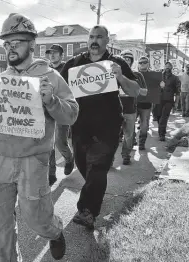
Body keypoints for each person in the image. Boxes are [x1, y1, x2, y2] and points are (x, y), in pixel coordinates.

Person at [0, 13, 79, 261]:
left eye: (16, 42)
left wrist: (52, 101)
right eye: (6, 43)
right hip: (0, 158)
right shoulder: (2, 78)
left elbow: (71, 115)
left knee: (38, 220)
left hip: (33, 160)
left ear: (31, 44)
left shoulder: (50, 77)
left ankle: (55, 232)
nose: (10, 47)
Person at [60, 25, 140, 229]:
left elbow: (135, 91)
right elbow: (57, 85)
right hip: (80, 126)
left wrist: (120, 77)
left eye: (99, 37)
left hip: (108, 126)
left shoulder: (117, 63)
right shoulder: (75, 63)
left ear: (107, 41)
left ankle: (87, 211)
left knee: (98, 167)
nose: (94, 41)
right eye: (91, 37)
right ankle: (93, 198)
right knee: (85, 167)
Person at [45, 44, 74, 185]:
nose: (52, 55)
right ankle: (51, 173)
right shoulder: (45, 70)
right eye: (50, 53)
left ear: (61, 55)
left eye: (55, 53)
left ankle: (69, 159)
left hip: (63, 109)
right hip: (47, 110)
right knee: (49, 143)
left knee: (60, 143)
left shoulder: (68, 69)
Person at [119, 50, 147, 165]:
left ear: (131, 61)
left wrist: (133, 88)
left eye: (129, 59)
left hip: (130, 110)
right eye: (124, 59)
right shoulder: (111, 75)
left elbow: (145, 92)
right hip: (114, 110)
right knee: (111, 136)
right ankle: (109, 159)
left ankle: (126, 155)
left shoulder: (137, 74)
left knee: (129, 135)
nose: (126, 61)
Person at [155, 62, 181, 141]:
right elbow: (153, 87)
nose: (167, 67)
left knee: (164, 117)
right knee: (158, 117)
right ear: (164, 67)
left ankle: (161, 134)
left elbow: (178, 92)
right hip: (158, 100)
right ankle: (162, 129)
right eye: (166, 66)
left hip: (169, 101)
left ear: (171, 68)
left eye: (169, 66)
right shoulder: (158, 76)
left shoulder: (175, 78)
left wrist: (176, 103)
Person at [135, 56, 153, 151]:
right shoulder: (133, 74)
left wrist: (162, 85)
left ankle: (141, 143)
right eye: (141, 62)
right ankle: (132, 139)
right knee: (129, 124)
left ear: (148, 63)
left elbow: (157, 90)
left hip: (146, 105)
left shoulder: (153, 76)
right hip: (134, 103)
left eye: (144, 62)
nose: (142, 64)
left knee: (144, 125)